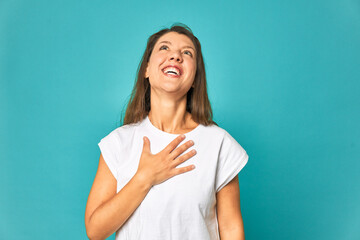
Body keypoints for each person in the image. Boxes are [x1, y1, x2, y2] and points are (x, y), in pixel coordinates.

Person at [85, 23, 249, 240]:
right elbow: (95, 231)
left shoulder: (219, 144)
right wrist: (145, 177)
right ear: (146, 69)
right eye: (164, 48)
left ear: (194, 79)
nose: (175, 56)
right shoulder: (118, 143)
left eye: (187, 53)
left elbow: (230, 229)